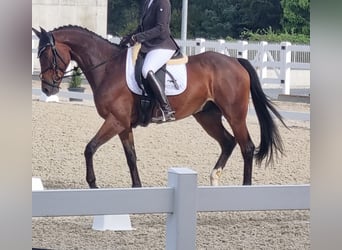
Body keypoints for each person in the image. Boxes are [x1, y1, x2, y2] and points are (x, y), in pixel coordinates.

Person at [120, 0, 178, 122]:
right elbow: (142, 27)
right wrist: (129, 37)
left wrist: (138, 38)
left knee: (147, 69)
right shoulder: (148, 2)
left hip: (162, 45)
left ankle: (167, 109)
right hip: (150, 46)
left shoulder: (163, 2)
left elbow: (161, 28)